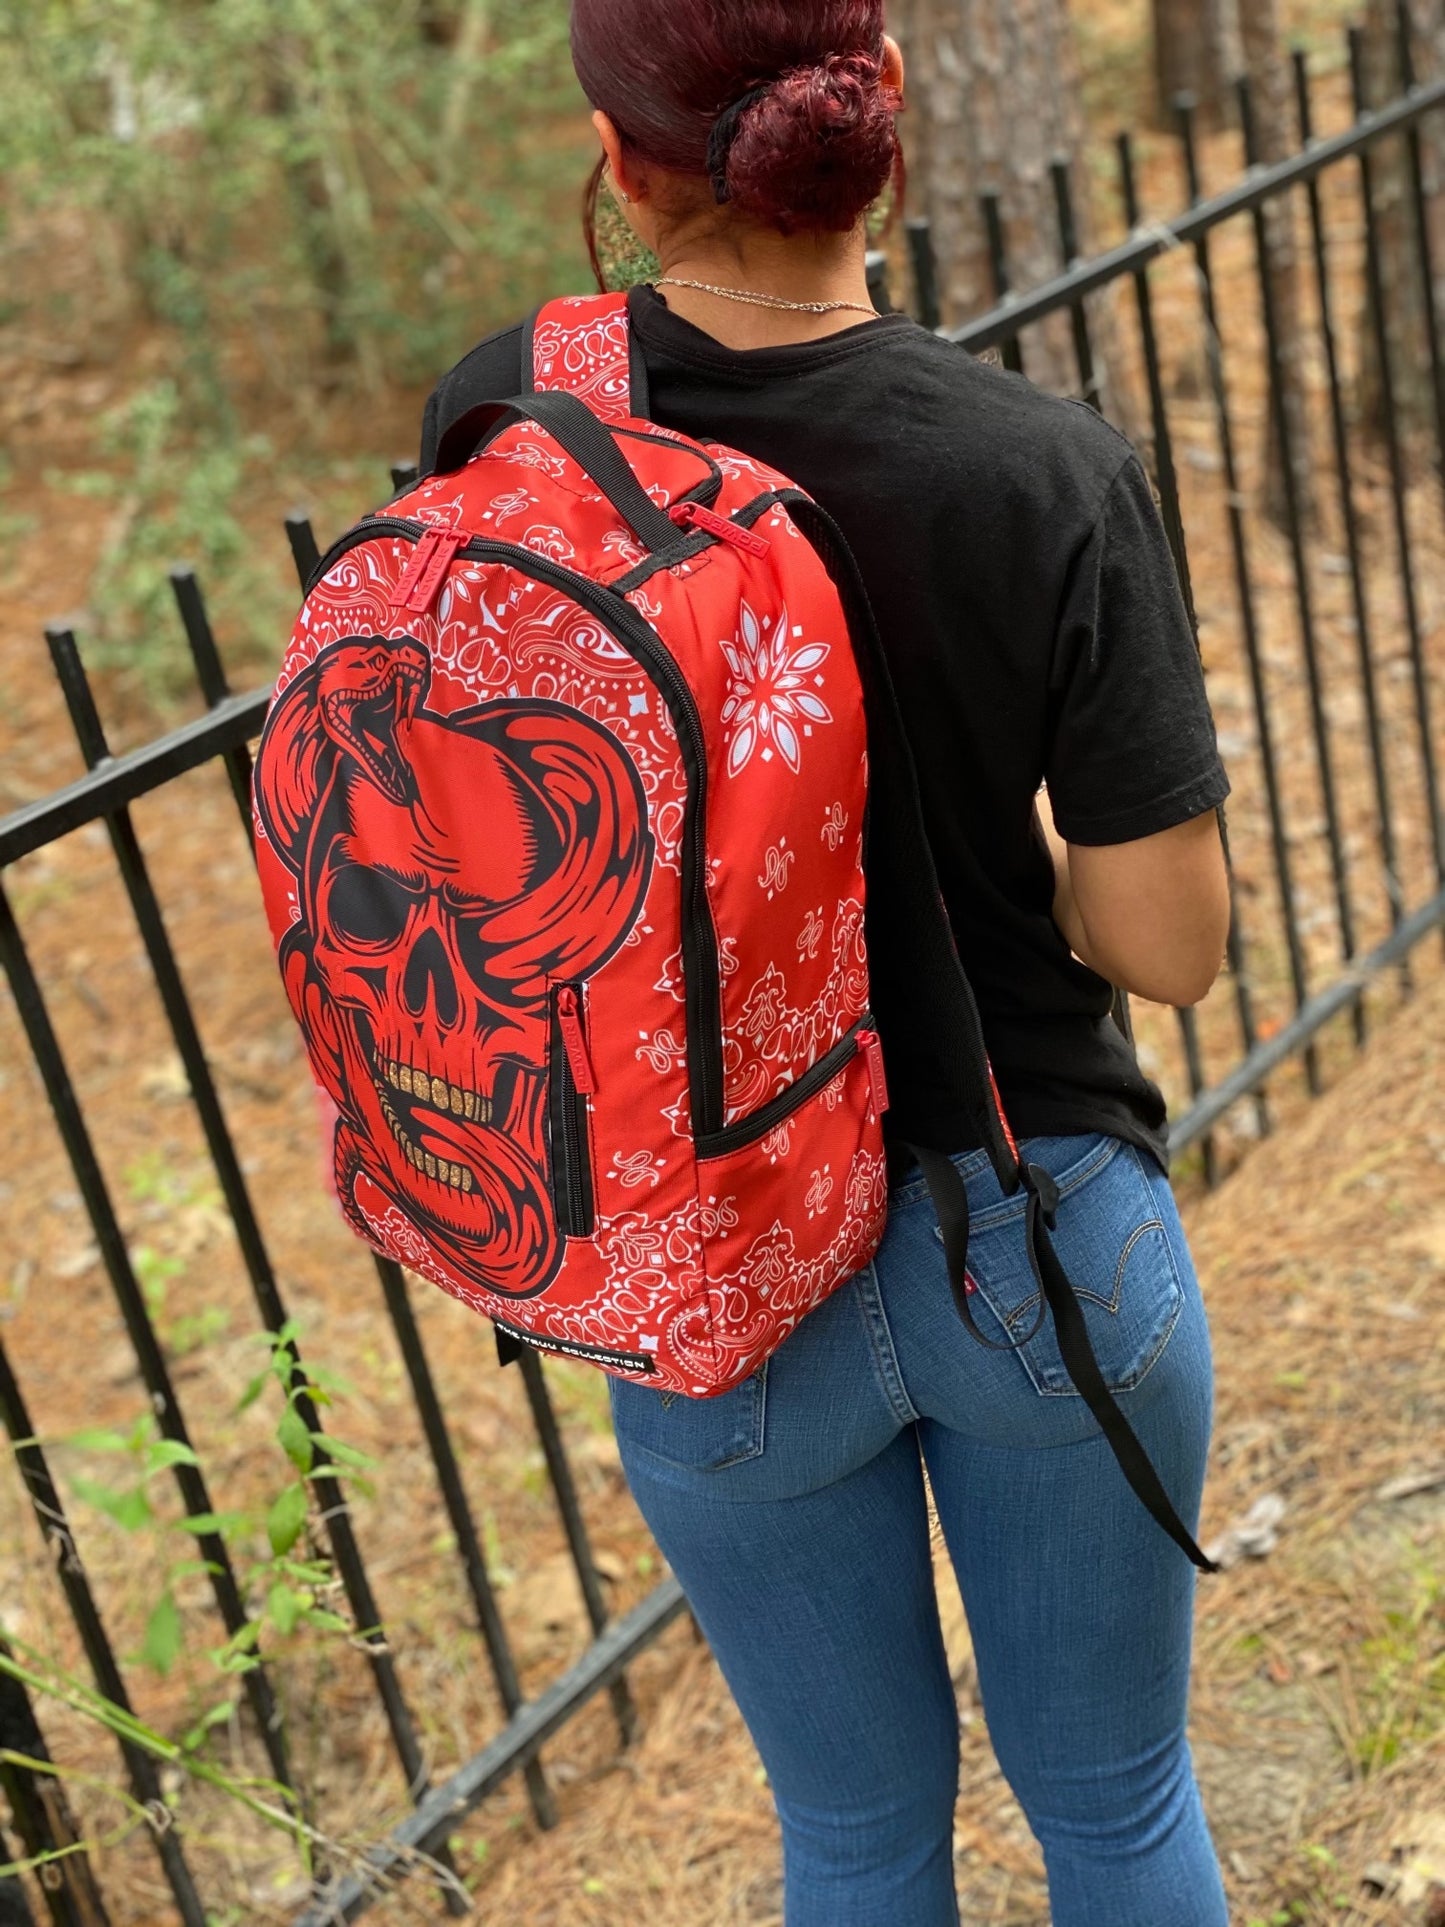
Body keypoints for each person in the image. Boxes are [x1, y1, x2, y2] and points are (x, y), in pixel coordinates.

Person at [420, 4, 1234, 1922]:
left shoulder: (506, 419)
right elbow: (1168, 948)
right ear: (883, 137)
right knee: (1114, 1808)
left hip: (710, 1262)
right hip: (1027, 1217)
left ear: (620, 166)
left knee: (856, 1838)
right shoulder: (1039, 467)